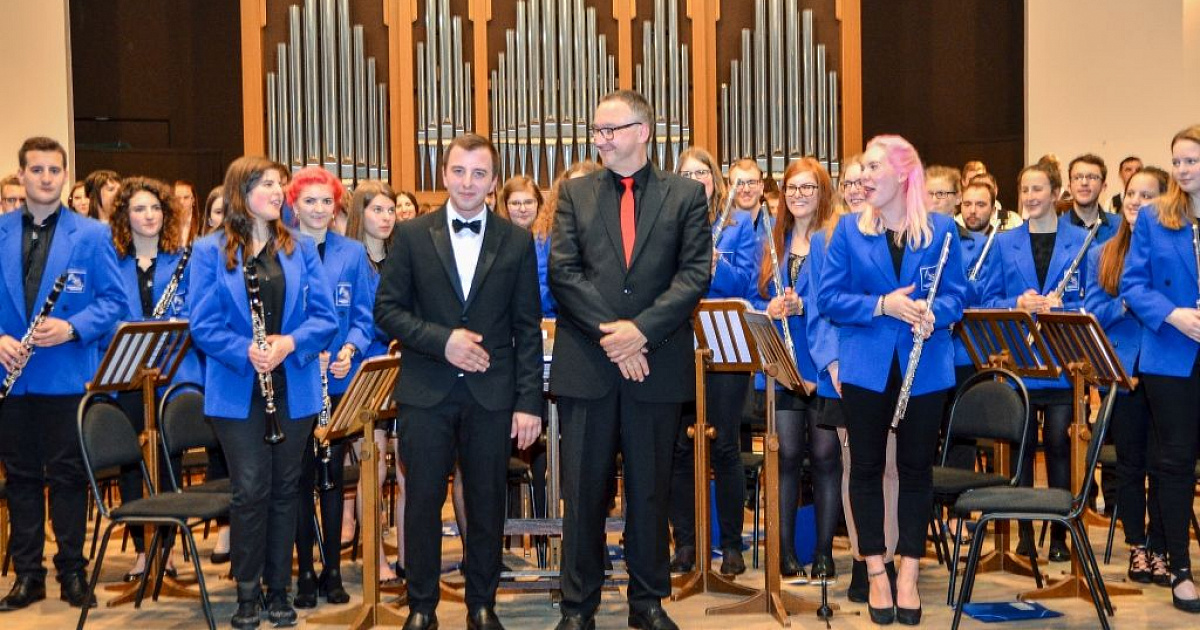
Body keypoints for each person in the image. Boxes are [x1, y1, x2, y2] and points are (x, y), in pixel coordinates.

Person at [549, 90, 709, 630]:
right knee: (583, 494)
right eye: (596, 130)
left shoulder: (686, 195)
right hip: (588, 364)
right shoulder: (574, 193)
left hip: (655, 363)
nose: (600, 139)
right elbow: (564, 273)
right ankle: (578, 606)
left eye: (610, 130)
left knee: (649, 492)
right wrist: (615, 338)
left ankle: (648, 602)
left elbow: (694, 275)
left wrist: (640, 332)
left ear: (643, 131)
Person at [375, 133, 542, 630]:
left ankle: (482, 604)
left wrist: (528, 402)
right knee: (423, 500)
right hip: (426, 391)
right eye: (459, 171)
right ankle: (422, 606)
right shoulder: (410, 235)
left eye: (479, 173)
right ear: (444, 174)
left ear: (493, 182)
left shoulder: (516, 241)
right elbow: (387, 311)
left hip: (492, 394)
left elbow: (527, 328)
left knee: (487, 502)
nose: (468, 182)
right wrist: (442, 340)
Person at [817, 135, 966, 625]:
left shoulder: (942, 230)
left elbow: (957, 295)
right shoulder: (848, 230)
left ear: (903, 175)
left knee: (916, 470)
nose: (863, 177)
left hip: (926, 365)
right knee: (864, 468)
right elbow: (829, 298)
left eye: (873, 167)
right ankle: (876, 571)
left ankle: (908, 573)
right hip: (866, 365)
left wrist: (935, 314)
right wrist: (883, 305)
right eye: (862, 168)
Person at [187, 156, 338, 629]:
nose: (278, 191)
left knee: (285, 488)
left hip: (292, 383)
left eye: (280, 183)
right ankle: (247, 592)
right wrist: (246, 350)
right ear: (241, 190)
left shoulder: (300, 248)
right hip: (238, 388)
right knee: (251, 487)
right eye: (267, 183)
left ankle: (279, 589)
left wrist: (289, 343)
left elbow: (326, 319)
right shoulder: (209, 250)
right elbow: (202, 325)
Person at [0, 137, 125, 611]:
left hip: (65, 373)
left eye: (55, 170)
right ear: (22, 175)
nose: (47, 178)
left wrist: (72, 327)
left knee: (69, 477)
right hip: (11, 375)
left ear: (66, 175)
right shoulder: (0, 230)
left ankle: (72, 571)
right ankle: (27, 575)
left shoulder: (91, 235)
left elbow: (114, 303)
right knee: (21, 478)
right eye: (37, 170)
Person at [982, 161, 1091, 562]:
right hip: (1022, 362)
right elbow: (986, 300)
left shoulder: (1082, 240)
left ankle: (1060, 534)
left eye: (1038, 189)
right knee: (1023, 447)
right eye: (1025, 189)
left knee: (1060, 446)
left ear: (1056, 193)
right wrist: (1017, 303)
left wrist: (1065, 307)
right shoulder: (1003, 242)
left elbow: (1093, 300)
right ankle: (1025, 533)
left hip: (1063, 362)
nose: (1030, 197)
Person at [285, 166, 375, 608]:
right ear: (294, 205)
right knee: (302, 478)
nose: (319, 209)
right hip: (298, 377)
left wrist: (349, 350)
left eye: (326, 201)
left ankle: (333, 571)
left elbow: (363, 316)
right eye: (310, 201)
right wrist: (308, 352)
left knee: (333, 477)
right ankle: (304, 572)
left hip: (339, 380)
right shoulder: (281, 249)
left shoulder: (353, 252)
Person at [665, 146, 756, 576]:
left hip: (725, 345)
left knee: (724, 446)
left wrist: (711, 266)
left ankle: (732, 545)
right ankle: (686, 543)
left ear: (714, 180)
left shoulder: (737, 226)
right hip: (677, 346)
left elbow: (744, 282)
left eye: (702, 173)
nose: (695, 180)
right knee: (679, 448)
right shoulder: (667, 225)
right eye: (687, 174)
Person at [1122, 124, 1200, 612]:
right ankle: (1180, 570)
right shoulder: (1154, 217)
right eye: (1177, 161)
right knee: (1175, 462)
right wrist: (1174, 315)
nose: (1182, 170)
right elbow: (1133, 285)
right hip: (1171, 352)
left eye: (1191, 161)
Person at [755, 156, 842, 579]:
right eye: (792, 188)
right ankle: (785, 552)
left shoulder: (834, 239)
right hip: (784, 363)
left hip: (824, 363)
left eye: (808, 187)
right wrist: (769, 307)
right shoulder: (773, 241)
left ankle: (824, 552)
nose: (799, 195)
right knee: (786, 456)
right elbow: (753, 295)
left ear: (822, 192)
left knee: (825, 457)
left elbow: (841, 298)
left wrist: (804, 304)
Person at [106, 176, 192, 581]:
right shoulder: (112, 262)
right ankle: (142, 550)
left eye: (155, 208)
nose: (149, 215)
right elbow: (105, 313)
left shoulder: (183, 260)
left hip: (171, 371)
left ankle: (167, 549)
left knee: (169, 459)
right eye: (139, 208)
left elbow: (194, 313)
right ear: (124, 216)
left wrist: (167, 337)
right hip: (127, 372)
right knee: (131, 461)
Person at [1088, 165, 1170, 586]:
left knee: (1164, 464)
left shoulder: (1172, 248)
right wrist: (1126, 302)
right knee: (1130, 463)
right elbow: (1092, 312)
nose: (1136, 202)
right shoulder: (1104, 252)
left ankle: (1161, 547)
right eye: (1131, 194)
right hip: (1123, 372)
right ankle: (1137, 545)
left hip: (1166, 368)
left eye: (1147, 195)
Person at [343, 180, 407, 578]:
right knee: (374, 470)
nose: (386, 218)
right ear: (359, 213)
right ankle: (375, 557)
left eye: (390, 210)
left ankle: (409, 558)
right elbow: (357, 318)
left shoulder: (403, 255)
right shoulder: (350, 259)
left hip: (406, 369)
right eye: (376, 210)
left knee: (407, 471)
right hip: (367, 371)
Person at [1059, 154, 1118, 243]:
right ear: (1069, 187)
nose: (1084, 182)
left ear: (1103, 186)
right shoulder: (1056, 229)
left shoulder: (1120, 227)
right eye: (1077, 177)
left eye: (1092, 177)